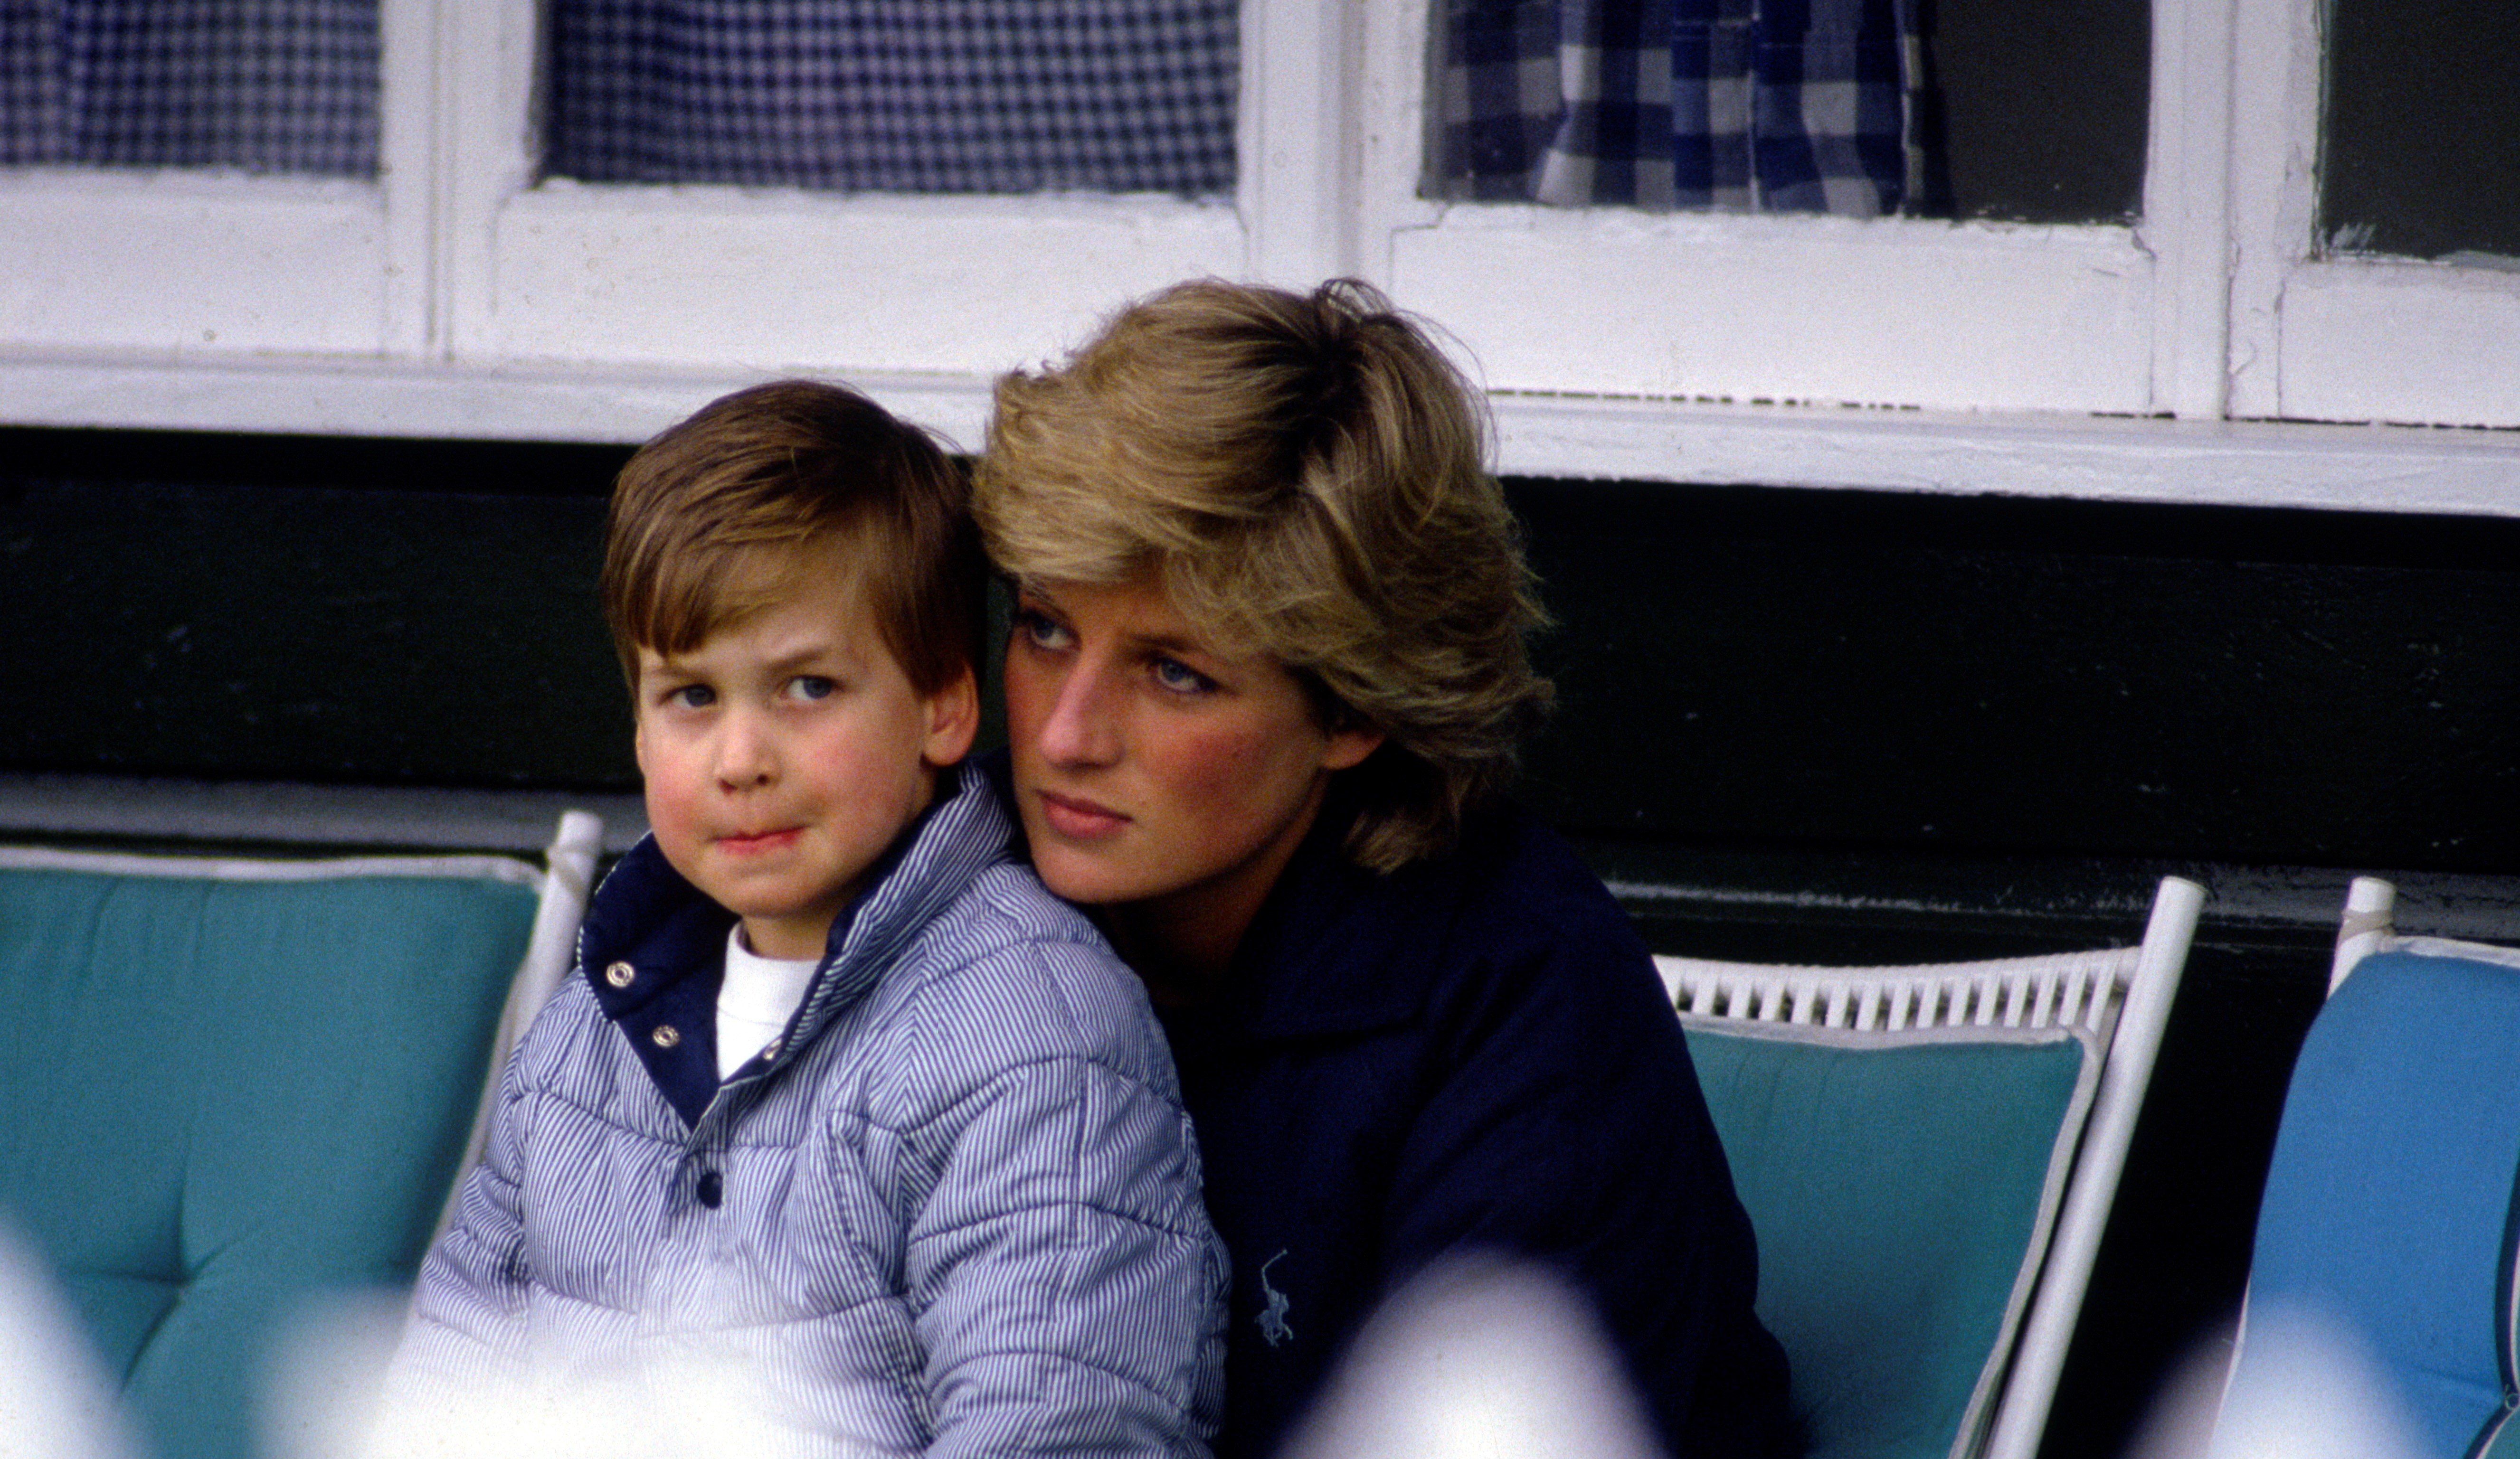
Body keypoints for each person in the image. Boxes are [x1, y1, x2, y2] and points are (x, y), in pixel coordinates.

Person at [972, 280, 1797, 1459]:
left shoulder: (1528, 1017)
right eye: (1045, 627)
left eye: (1174, 673)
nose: (1062, 734)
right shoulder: (948, 886)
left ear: (1354, 709)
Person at [384, 380, 1225, 1456]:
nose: (741, 761)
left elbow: (1056, 1423)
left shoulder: (1030, 1037)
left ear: (942, 706)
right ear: (637, 731)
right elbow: (453, 1378)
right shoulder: (596, 1020)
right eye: (692, 697)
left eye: (807, 688)